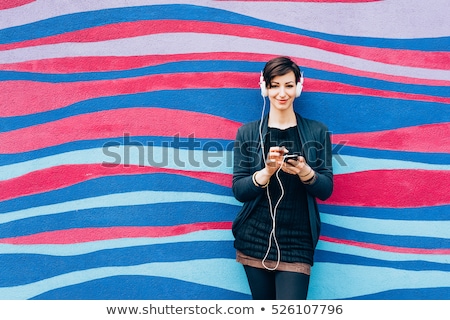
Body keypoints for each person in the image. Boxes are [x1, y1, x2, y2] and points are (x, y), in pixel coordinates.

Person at [231, 56, 333, 300]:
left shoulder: (317, 131)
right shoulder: (247, 132)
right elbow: (239, 190)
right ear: (264, 87)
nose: (281, 93)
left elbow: (326, 189)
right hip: (254, 239)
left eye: (288, 85)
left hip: (298, 243)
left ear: (299, 87)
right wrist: (266, 172)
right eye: (275, 85)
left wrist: (305, 172)